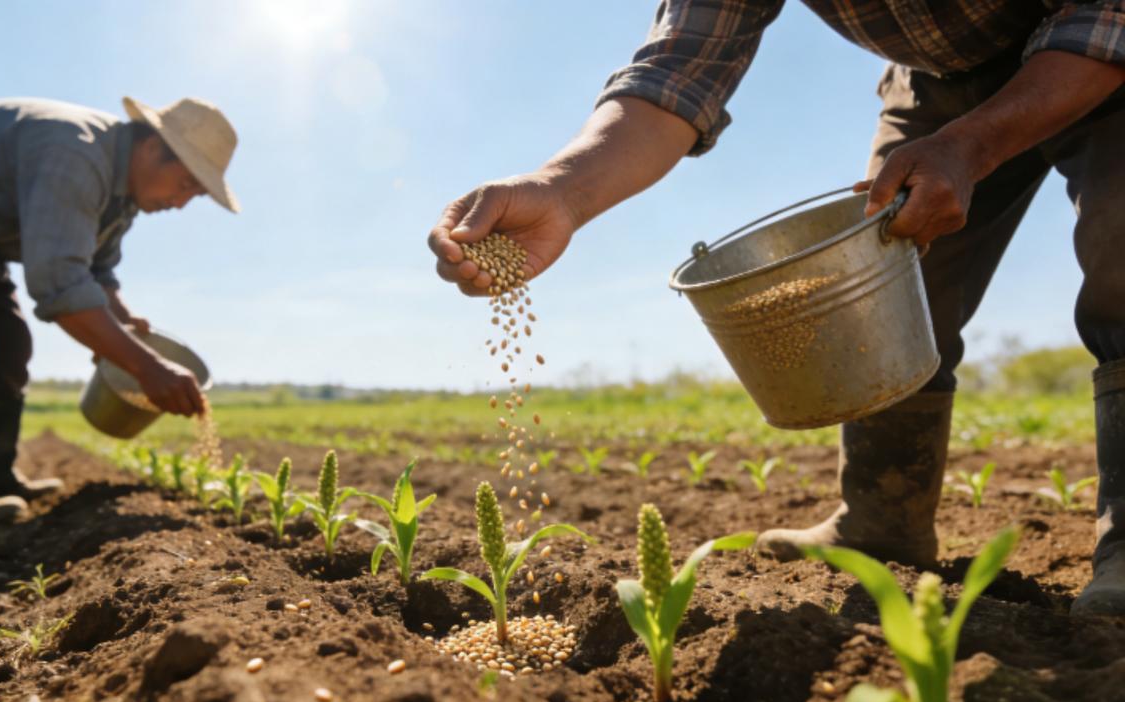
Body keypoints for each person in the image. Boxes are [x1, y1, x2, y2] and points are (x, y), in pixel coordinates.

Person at [427, 2, 1125, 615]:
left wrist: (971, 147)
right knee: (881, 290)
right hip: (936, 80)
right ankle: (881, 521)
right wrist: (560, 190)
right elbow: (676, 72)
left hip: (1099, 42)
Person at [0, 96, 240, 527]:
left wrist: (123, 322)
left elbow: (97, 270)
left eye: (196, 194)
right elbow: (58, 285)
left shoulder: (124, 195)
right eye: (185, 184)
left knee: (11, 344)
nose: (182, 203)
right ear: (151, 147)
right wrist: (145, 366)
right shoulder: (74, 155)